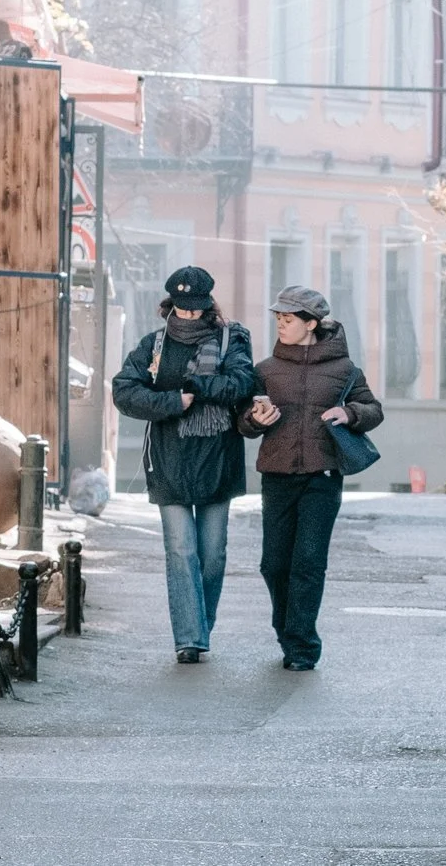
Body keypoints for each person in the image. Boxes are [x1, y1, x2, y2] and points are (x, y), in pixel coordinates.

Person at [110, 265, 255, 663]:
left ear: (208, 305)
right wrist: (173, 402)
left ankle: (200, 624)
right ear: (171, 304)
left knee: (212, 555)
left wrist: (198, 388)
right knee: (180, 551)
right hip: (169, 461)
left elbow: (242, 383)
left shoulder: (232, 339)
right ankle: (190, 638)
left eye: (195, 309)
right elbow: (124, 391)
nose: (188, 315)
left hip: (217, 461)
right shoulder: (154, 345)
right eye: (182, 308)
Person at [239, 285, 384, 671]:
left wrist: (350, 414)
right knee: (274, 563)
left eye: (288, 320)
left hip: (323, 477)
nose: (281, 326)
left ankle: (302, 646)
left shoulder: (345, 371)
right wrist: (255, 420)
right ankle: (286, 628)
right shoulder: (266, 370)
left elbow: (373, 409)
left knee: (308, 560)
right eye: (278, 320)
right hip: (277, 476)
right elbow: (244, 423)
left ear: (311, 324)